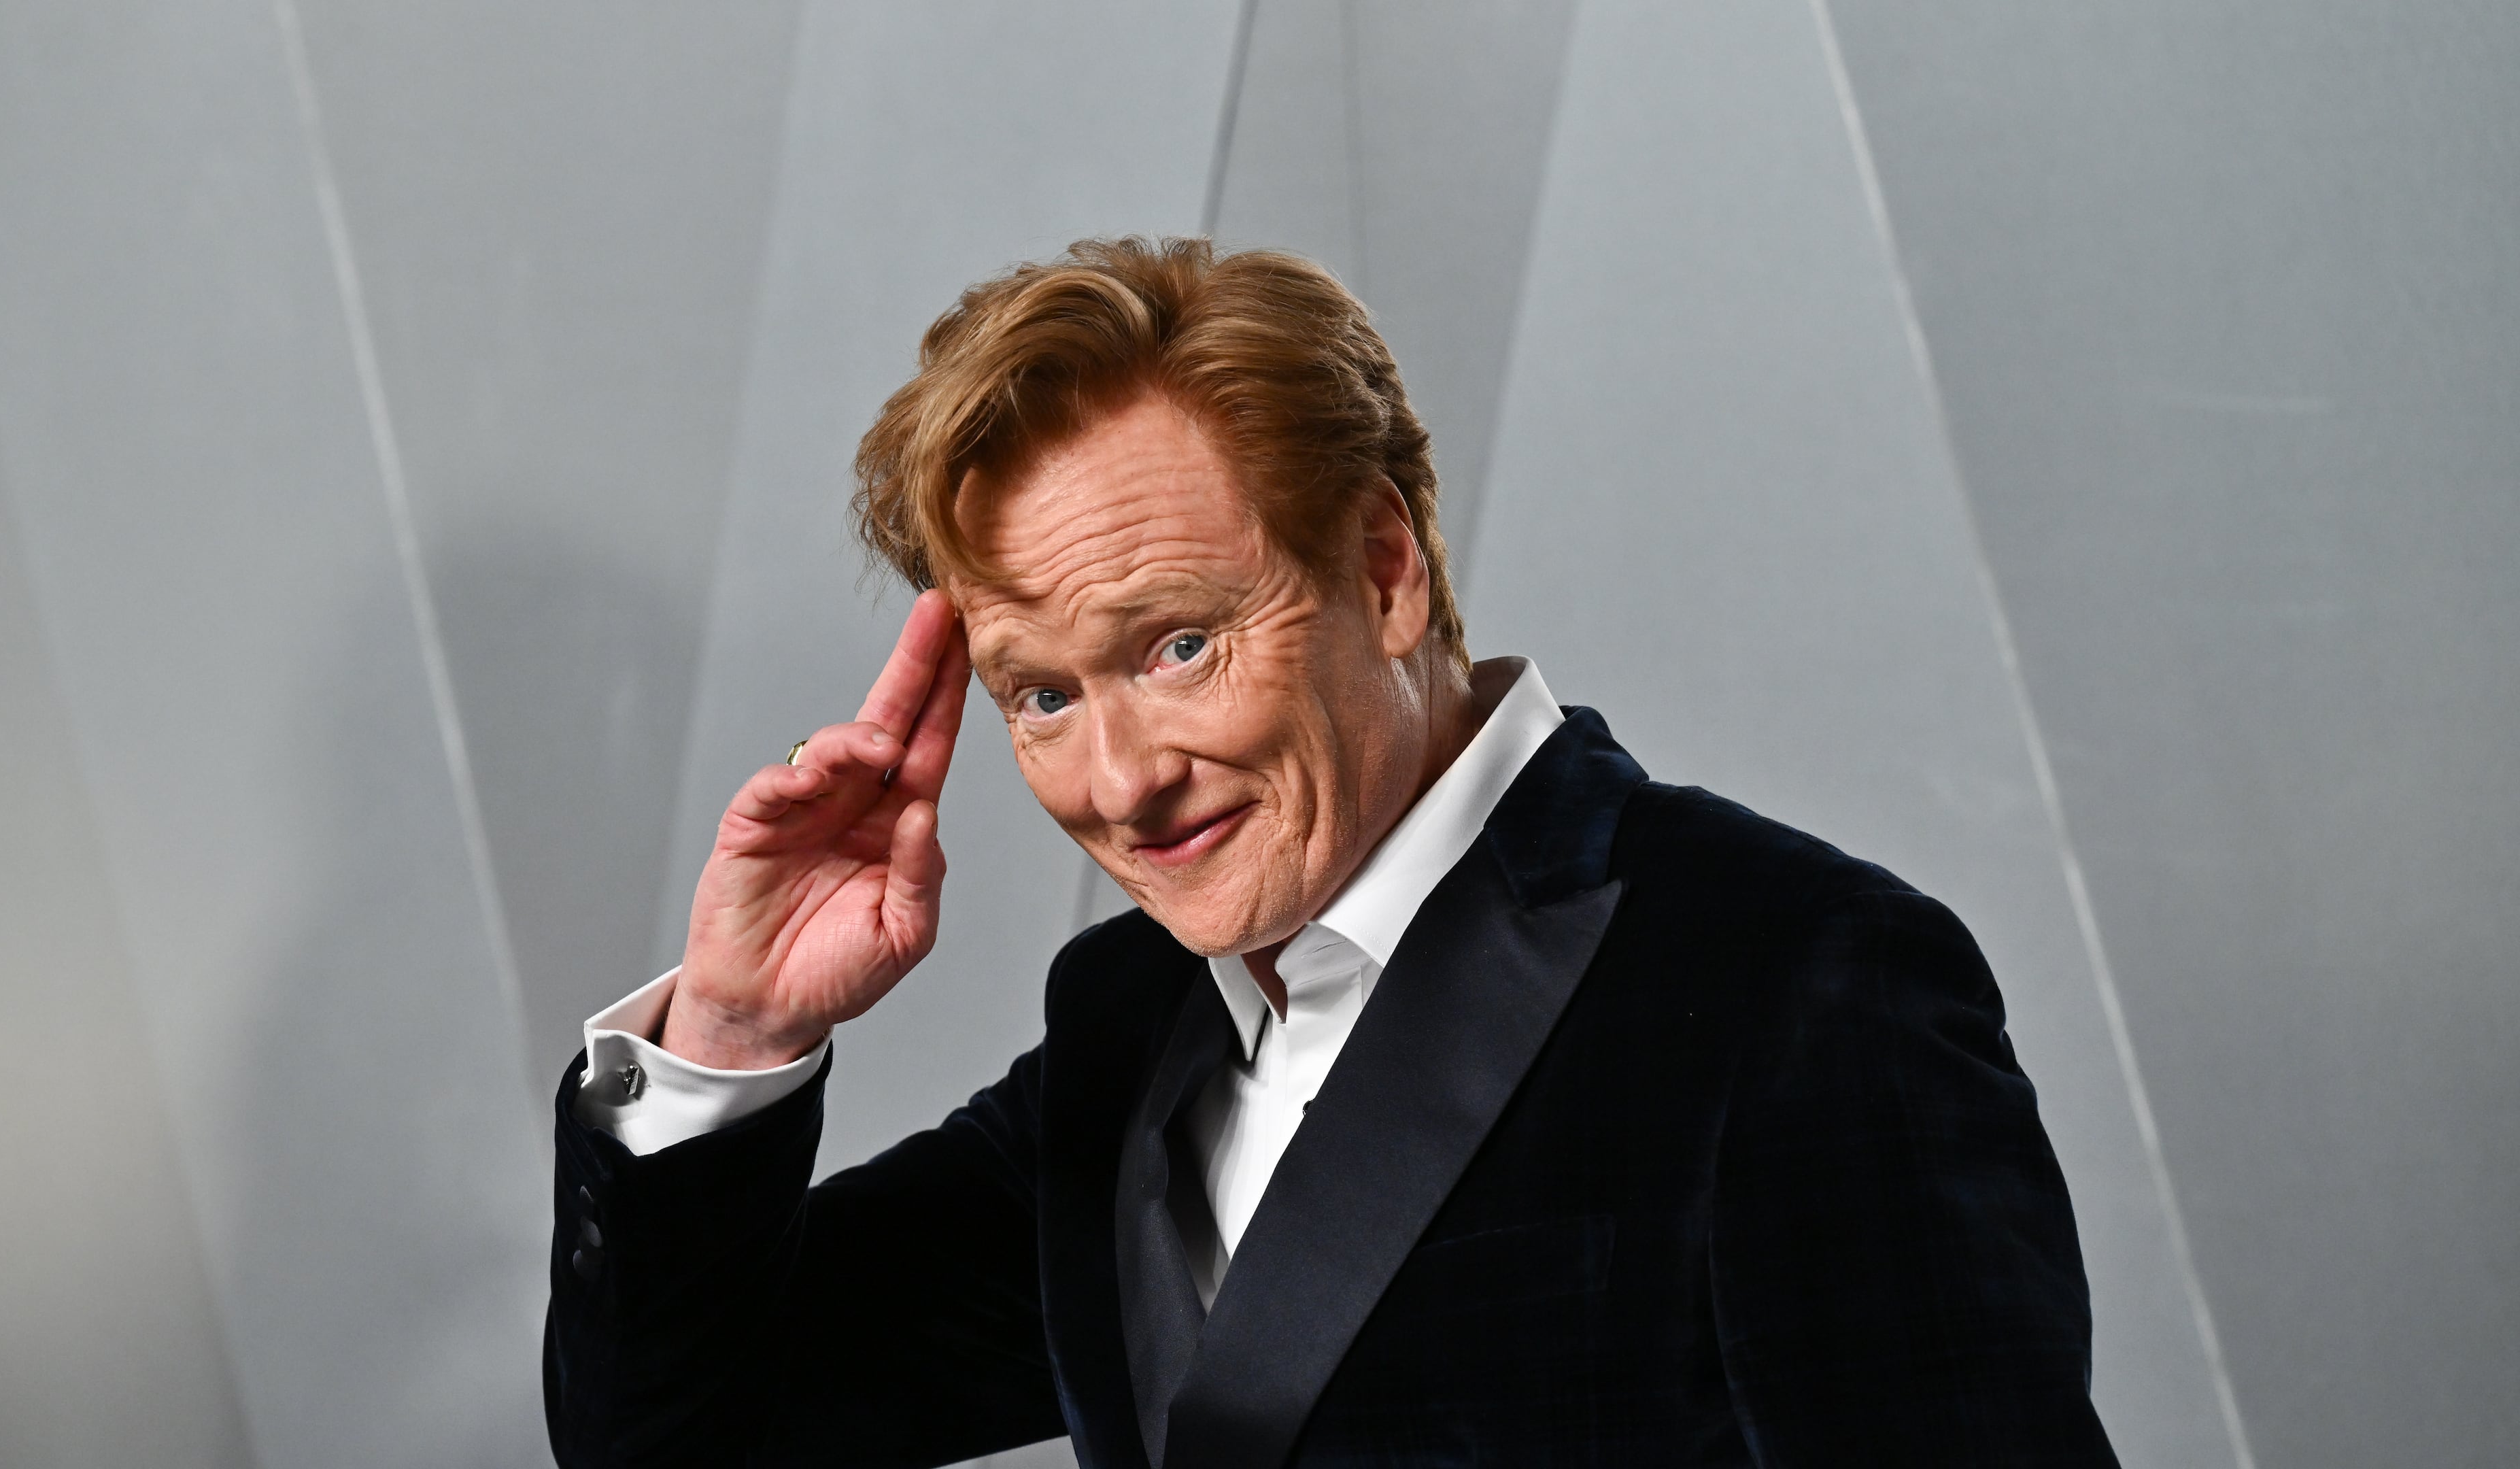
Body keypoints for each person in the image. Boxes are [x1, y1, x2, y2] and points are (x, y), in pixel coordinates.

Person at [543, 237, 2119, 1468]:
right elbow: (685, 1439)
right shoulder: (1127, 1026)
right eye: (1041, 695)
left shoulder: (1798, 984)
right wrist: (738, 1036)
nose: (1123, 784)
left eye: (1176, 648)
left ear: (1382, 569)